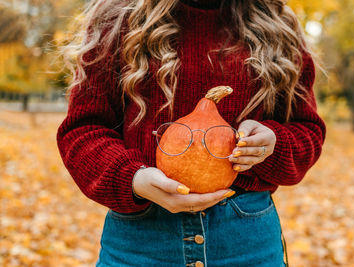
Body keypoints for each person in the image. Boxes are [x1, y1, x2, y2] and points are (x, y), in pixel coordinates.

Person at [56, 0, 326, 266]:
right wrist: (134, 178)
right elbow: (83, 130)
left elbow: (307, 131)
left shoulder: (277, 22)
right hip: (140, 241)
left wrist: (271, 144)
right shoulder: (117, 17)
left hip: (247, 241)